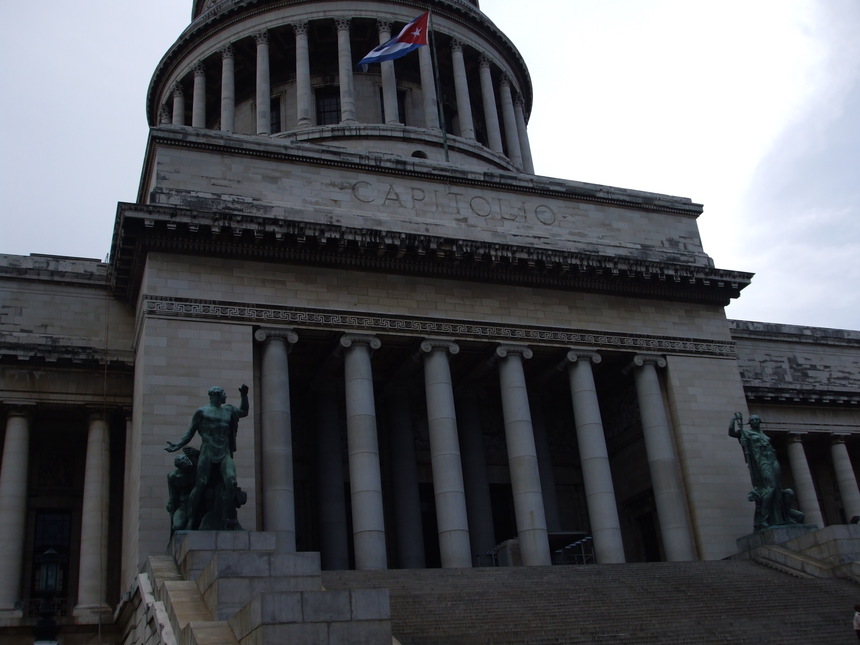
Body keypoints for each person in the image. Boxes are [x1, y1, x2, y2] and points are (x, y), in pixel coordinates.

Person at [166, 385, 249, 529]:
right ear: (216, 395)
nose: (226, 396)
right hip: (208, 451)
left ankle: (228, 516)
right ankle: (191, 520)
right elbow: (190, 433)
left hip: (224, 452)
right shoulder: (202, 412)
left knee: (231, 481)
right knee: (201, 484)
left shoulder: (228, 410)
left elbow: (244, 411)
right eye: (224, 393)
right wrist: (177, 445)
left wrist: (244, 395)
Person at [728, 412, 804, 531]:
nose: (755, 421)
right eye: (752, 420)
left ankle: (785, 516)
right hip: (761, 461)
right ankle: (764, 519)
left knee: (780, 488)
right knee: (771, 487)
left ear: (760, 421)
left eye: (756, 420)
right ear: (750, 423)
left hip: (772, 459)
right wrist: (733, 419)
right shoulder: (747, 433)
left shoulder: (762, 434)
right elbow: (731, 433)